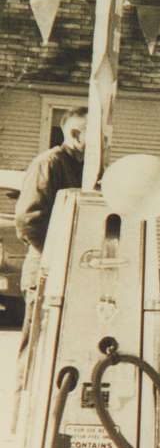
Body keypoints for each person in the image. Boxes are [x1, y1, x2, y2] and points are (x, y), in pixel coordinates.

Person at [12, 107, 88, 425]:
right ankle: (23, 420)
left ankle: (51, 418)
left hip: (75, 274)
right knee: (37, 346)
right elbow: (28, 220)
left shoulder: (88, 168)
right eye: (92, 133)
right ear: (73, 133)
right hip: (47, 271)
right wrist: (55, 257)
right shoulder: (50, 163)